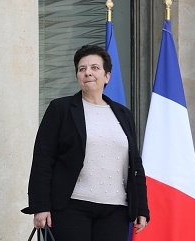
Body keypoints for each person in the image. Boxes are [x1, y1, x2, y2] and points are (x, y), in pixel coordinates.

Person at [21, 44, 150, 241]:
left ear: (107, 76)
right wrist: (40, 206)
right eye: (82, 69)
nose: (88, 73)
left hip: (115, 210)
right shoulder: (61, 109)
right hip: (70, 207)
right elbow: (43, 159)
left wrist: (141, 206)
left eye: (94, 68)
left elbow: (135, 164)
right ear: (77, 76)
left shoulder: (124, 114)